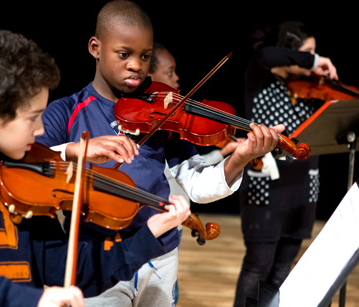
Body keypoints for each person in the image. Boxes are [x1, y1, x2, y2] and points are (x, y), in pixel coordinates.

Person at [0, 28, 192, 307]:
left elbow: (69, 268)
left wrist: (149, 234)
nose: (40, 130)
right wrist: (31, 300)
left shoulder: (26, 173)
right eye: (33, 117)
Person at [37, 1, 285, 306]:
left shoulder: (164, 115)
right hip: (98, 254)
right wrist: (78, 150)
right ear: (95, 48)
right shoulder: (66, 111)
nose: (136, 65)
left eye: (145, 56)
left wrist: (239, 158)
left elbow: (196, 185)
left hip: (160, 253)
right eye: (124, 54)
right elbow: (29, 164)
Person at [234, 20, 338, 306]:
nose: (312, 63)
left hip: (304, 190)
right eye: (307, 54)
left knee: (283, 269)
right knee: (258, 267)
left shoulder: (310, 88)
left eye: (315, 53)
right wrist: (317, 60)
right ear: (290, 54)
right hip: (267, 189)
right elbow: (267, 56)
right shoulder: (261, 74)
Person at [148, 41, 245, 305]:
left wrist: (240, 157)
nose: (177, 79)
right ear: (147, 76)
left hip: (167, 235)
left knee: (170, 292)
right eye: (170, 73)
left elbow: (196, 176)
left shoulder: (174, 128)